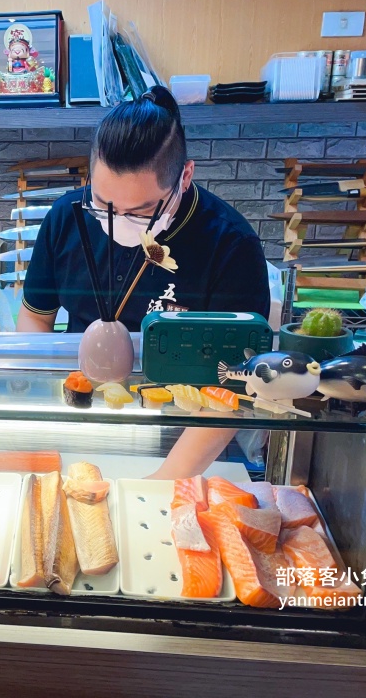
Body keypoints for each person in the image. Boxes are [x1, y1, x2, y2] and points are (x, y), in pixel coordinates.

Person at [17, 86, 270, 479]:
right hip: (84, 408)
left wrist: (166, 480)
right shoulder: (66, 217)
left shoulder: (230, 244)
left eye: (142, 211)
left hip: (185, 429)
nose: (117, 222)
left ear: (185, 176)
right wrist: (40, 418)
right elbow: (35, 320)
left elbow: (239, 376)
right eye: (103, 204)